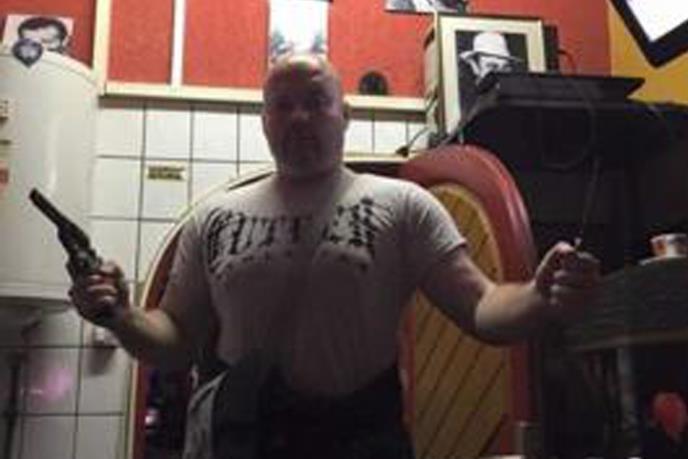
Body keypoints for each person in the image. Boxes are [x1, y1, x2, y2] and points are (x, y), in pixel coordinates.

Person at [70, 53, 600, 458]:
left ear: (344, 115)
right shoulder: (213, 218)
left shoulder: (403, 204)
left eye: (316, 101)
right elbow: (174, 340)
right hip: (245, 440)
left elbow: (482, 307)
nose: (299, 117)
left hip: (361, 439)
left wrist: (539, 296)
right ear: (265, 120)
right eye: (282, 105)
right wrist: (121, 315)